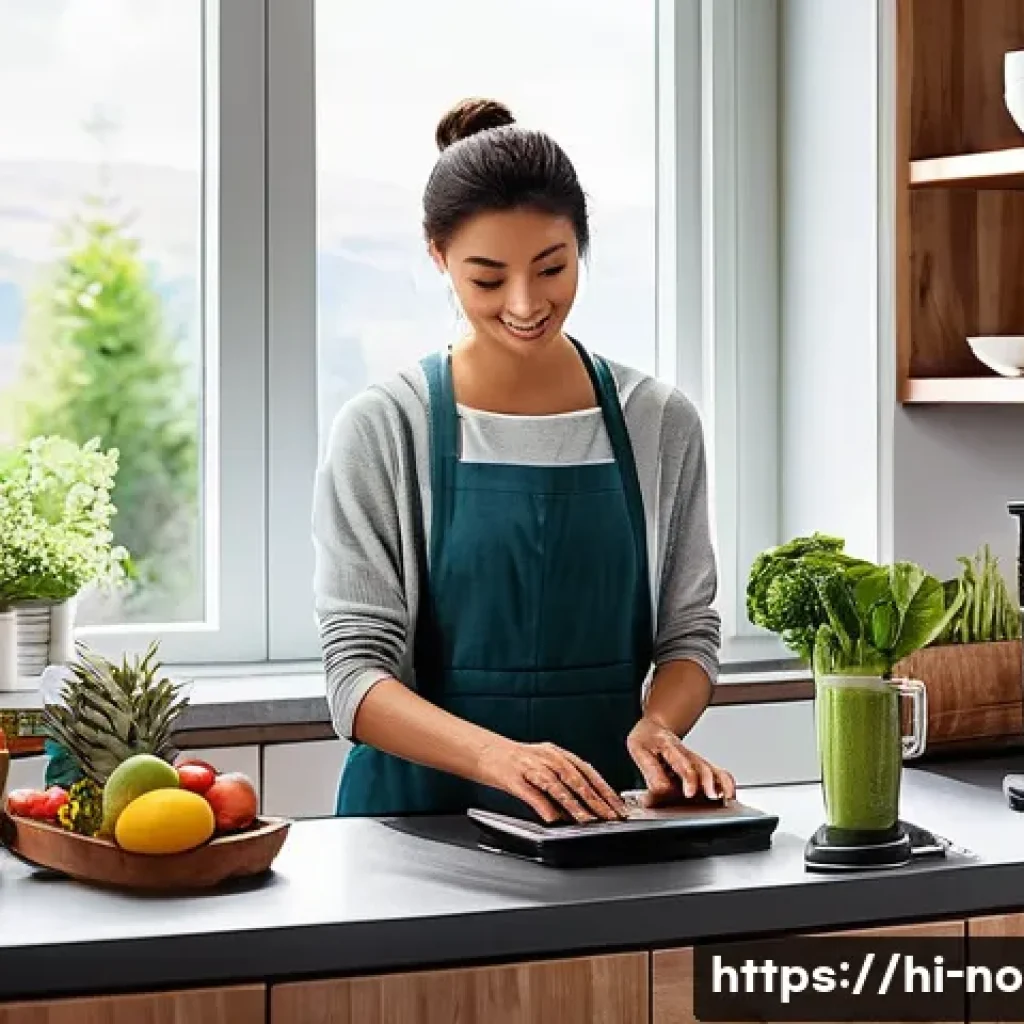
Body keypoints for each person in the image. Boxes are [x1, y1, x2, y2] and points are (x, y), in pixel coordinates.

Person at [313, 97, 736, 824]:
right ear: (437, 257)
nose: (525, 303)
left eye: (552, 268)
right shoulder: (385, 428)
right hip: (413, 827)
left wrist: (660, 726)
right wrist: (498, 758)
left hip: (596, 819)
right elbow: (354, 676)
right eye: (486, 278)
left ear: (581, 244)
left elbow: (688, 634)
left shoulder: (658, 424)